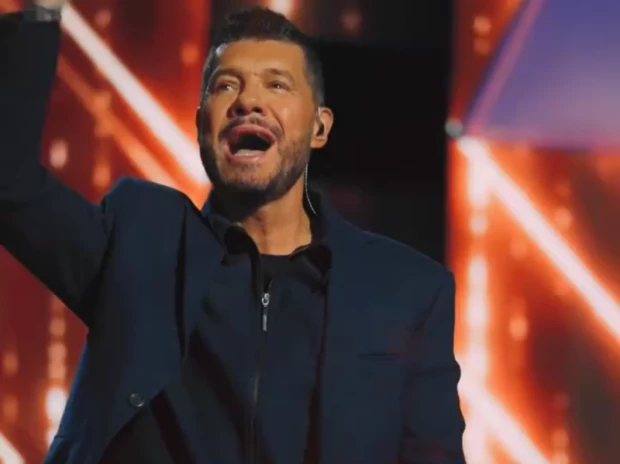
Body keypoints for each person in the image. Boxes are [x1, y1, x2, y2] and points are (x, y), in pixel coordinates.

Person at [0, 1, 465, 463]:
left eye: (277, 84)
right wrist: (40, 12)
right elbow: (8, 187)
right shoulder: (140, 238)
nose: (247, 101)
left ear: (319, 128)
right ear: (201, 124)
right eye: (226, 86)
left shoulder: (408, 290)